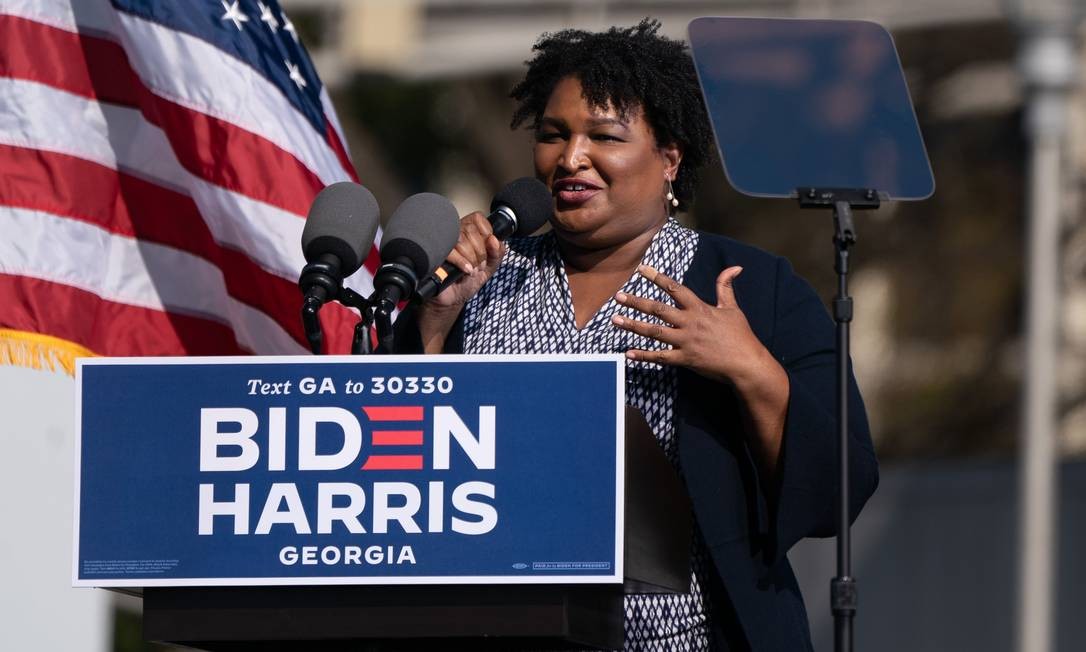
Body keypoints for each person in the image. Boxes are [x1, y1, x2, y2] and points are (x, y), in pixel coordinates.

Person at [395, 19, 878, 652]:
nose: (571, 158)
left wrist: (751, 369)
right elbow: (403, 457)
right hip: (505, 630)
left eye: (603, 136)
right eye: (553, 135)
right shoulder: (483, 279)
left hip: (693, 638)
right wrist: (434, 319)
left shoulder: (752, 286)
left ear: (670, 158)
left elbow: (839, 489)